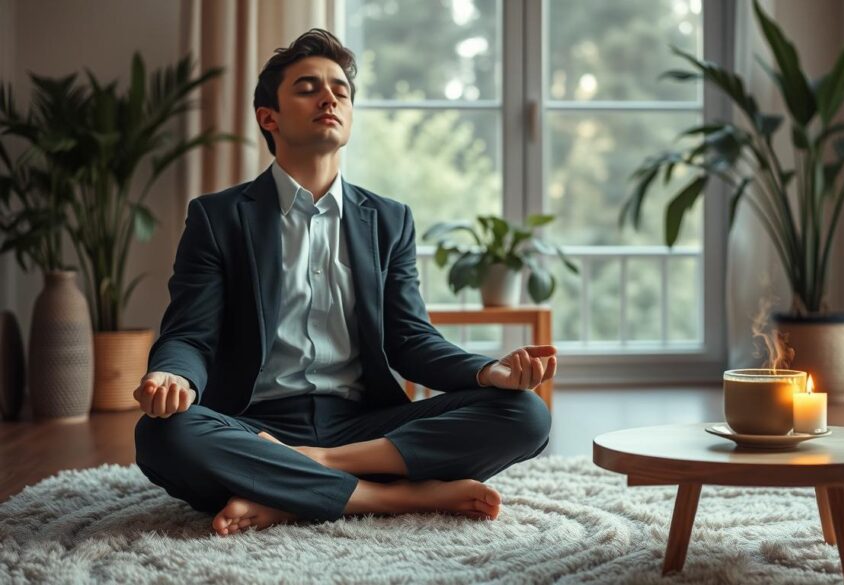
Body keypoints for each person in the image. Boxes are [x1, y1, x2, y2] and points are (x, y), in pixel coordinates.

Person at [133, 28, 555, 537]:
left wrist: (491, 372)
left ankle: (304, 478)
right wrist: (174, 376)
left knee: (526, 413)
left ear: (350, 115)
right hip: (254, 422)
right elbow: (189, 335)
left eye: (340, 89)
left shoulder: (388, 220)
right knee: (163, 435)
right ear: (269, 117)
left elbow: (411, 340)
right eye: (308, 87)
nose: (329, 96)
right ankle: (388, 497)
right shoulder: (218, 218)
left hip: (364, 424)